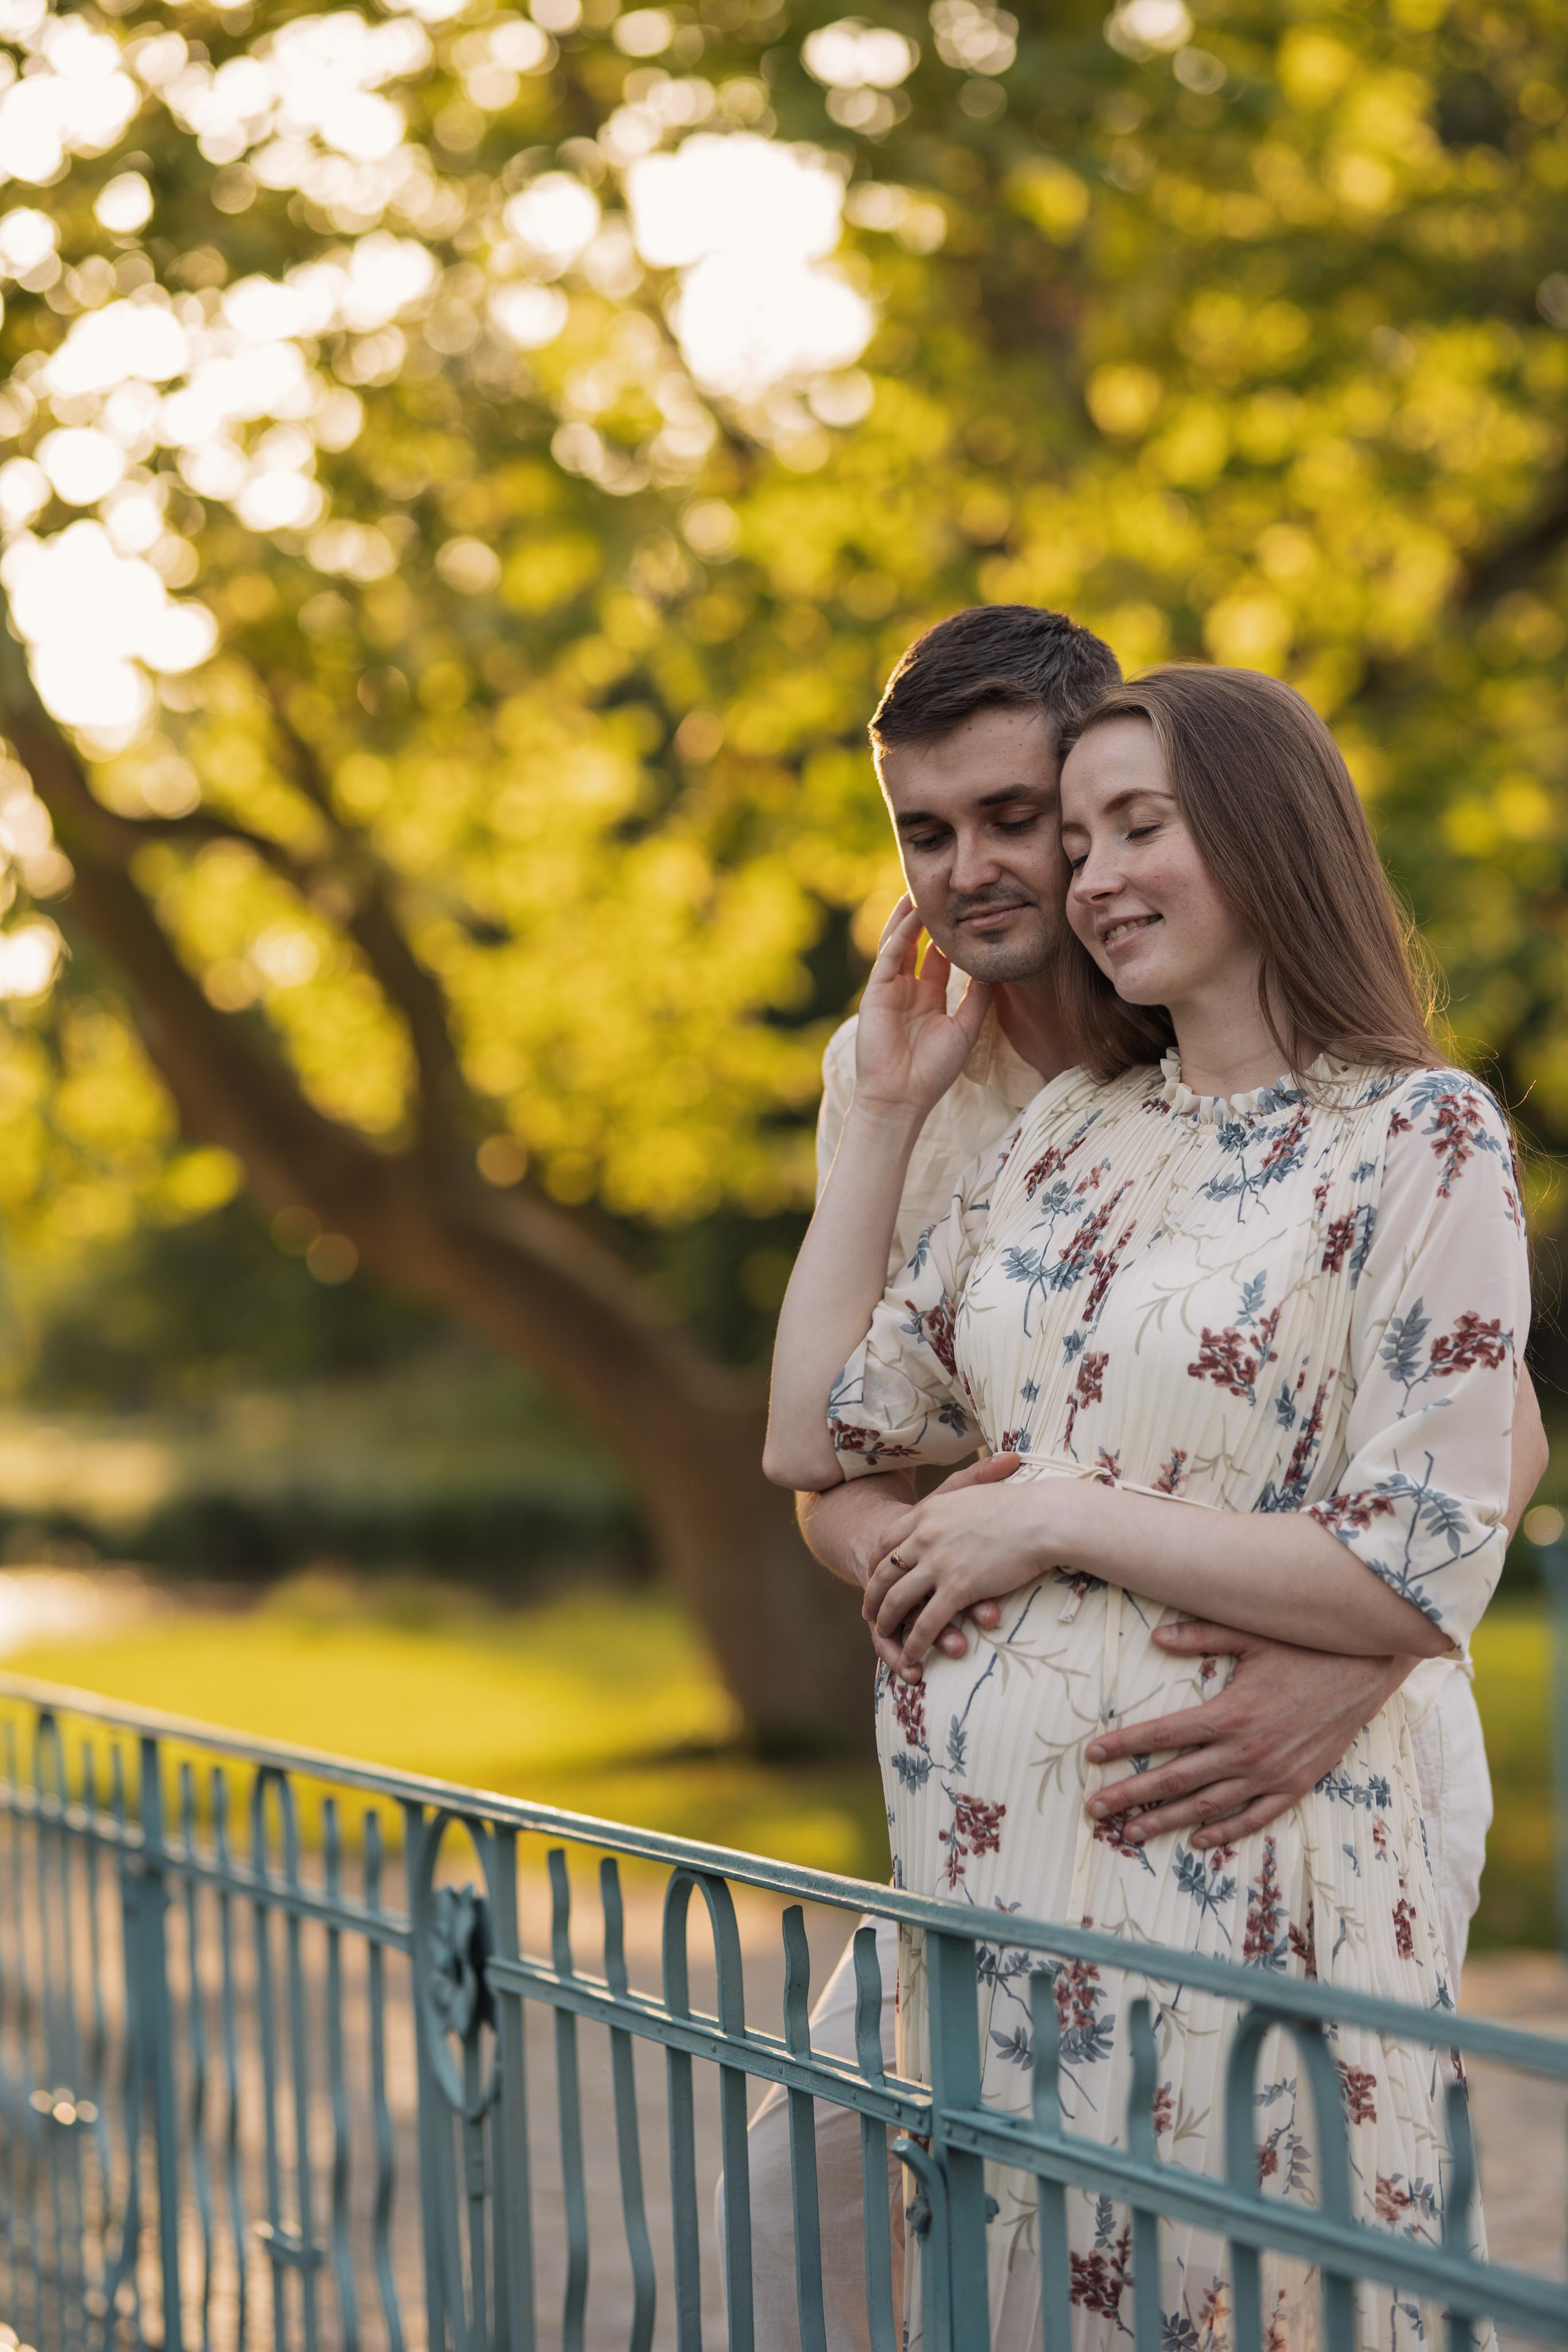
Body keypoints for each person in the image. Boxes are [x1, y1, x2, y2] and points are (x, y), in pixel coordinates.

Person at [737, 612, 1545, 2352]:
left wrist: (1066, 1531)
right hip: (997, 1867)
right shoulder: (1044, 1124)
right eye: (928, 831)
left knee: (1250, 2284)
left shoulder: (1409, 1131)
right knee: (846, 2237)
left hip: (1255, 1836)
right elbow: (821, 1445)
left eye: (1083, 820)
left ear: (1255, 830)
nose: (1026, 869)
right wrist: (876, 1116)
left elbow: (1457, 1483)